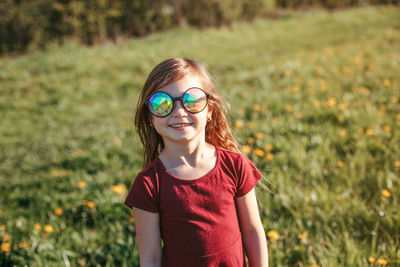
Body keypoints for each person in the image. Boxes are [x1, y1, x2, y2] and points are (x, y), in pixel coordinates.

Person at [125, 58, 268, 267]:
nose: (179, 111)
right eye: (162, 103)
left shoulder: (235, 166)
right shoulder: (148, 185)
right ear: (150, 117)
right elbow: (150, 258)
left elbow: (252, 231)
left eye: (192, 100)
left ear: (209, 110)